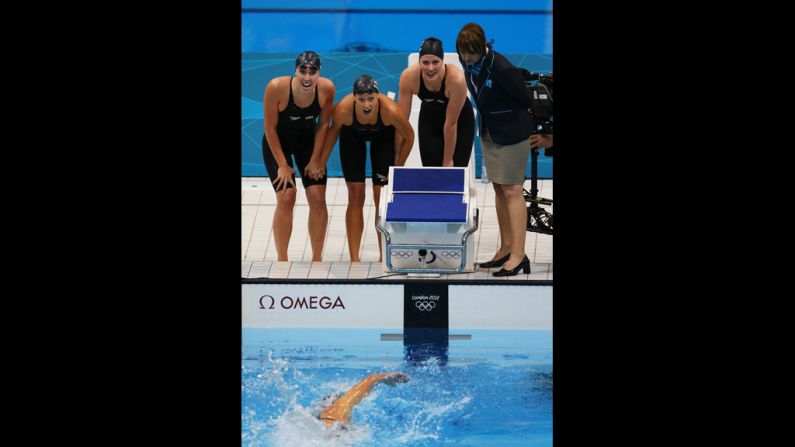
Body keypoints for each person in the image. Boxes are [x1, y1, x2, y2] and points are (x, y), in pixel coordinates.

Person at [456, 23, 533, 277]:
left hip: (512, 134)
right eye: (463, 52)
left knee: (512, 190)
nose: (466, 58)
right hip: (490, 132)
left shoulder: (502, 68)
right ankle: (506, 248)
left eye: (471, 53)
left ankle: (519, 255)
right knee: (500, 188)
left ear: (483, 48)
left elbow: (526, 100)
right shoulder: (466, 62)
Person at [319, 74, 415, 262]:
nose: (366, 105)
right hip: (352, 137)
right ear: (354, 97)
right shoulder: (343, 109)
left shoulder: (391, 111)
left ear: (377, 96)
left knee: (381, 197)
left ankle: (383, 256)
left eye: (371, 99)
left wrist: (398, 168)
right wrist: (320, 161)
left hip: (383, 137)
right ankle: (354, 258)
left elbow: (409, 137)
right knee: (356, 195)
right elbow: (332, 133)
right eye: (361, 99)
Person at [261, 51, 335, 261]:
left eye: (313, 71)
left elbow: (323, 125)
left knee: (318, 198)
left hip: (307, 142)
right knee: (286, 197)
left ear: (319, 72)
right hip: (278, 142)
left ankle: (317, 259)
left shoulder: (326, 89)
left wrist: (316, 159)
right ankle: (282, 260)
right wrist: (283, 165)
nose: (307, 77)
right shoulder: (276, 88)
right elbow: (269, 128)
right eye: (303, 70)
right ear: (295, 71)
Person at [396, 37, 474, 167]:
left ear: (442, 61)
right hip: (430, 119)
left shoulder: (456, 80)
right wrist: (396, 157)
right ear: (419, 62)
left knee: (455, 174)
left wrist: (448, 160)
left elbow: (451, 124)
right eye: (425, 62)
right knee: (432, 173)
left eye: (435, 62)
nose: (430, 68)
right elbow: (401, 122)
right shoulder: (408, 78)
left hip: (460, 121)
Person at [318, 372, 410, 428]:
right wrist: (387, 377)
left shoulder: (313, 420)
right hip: (336, 430)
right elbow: (370, 379)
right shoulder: (338, 407)